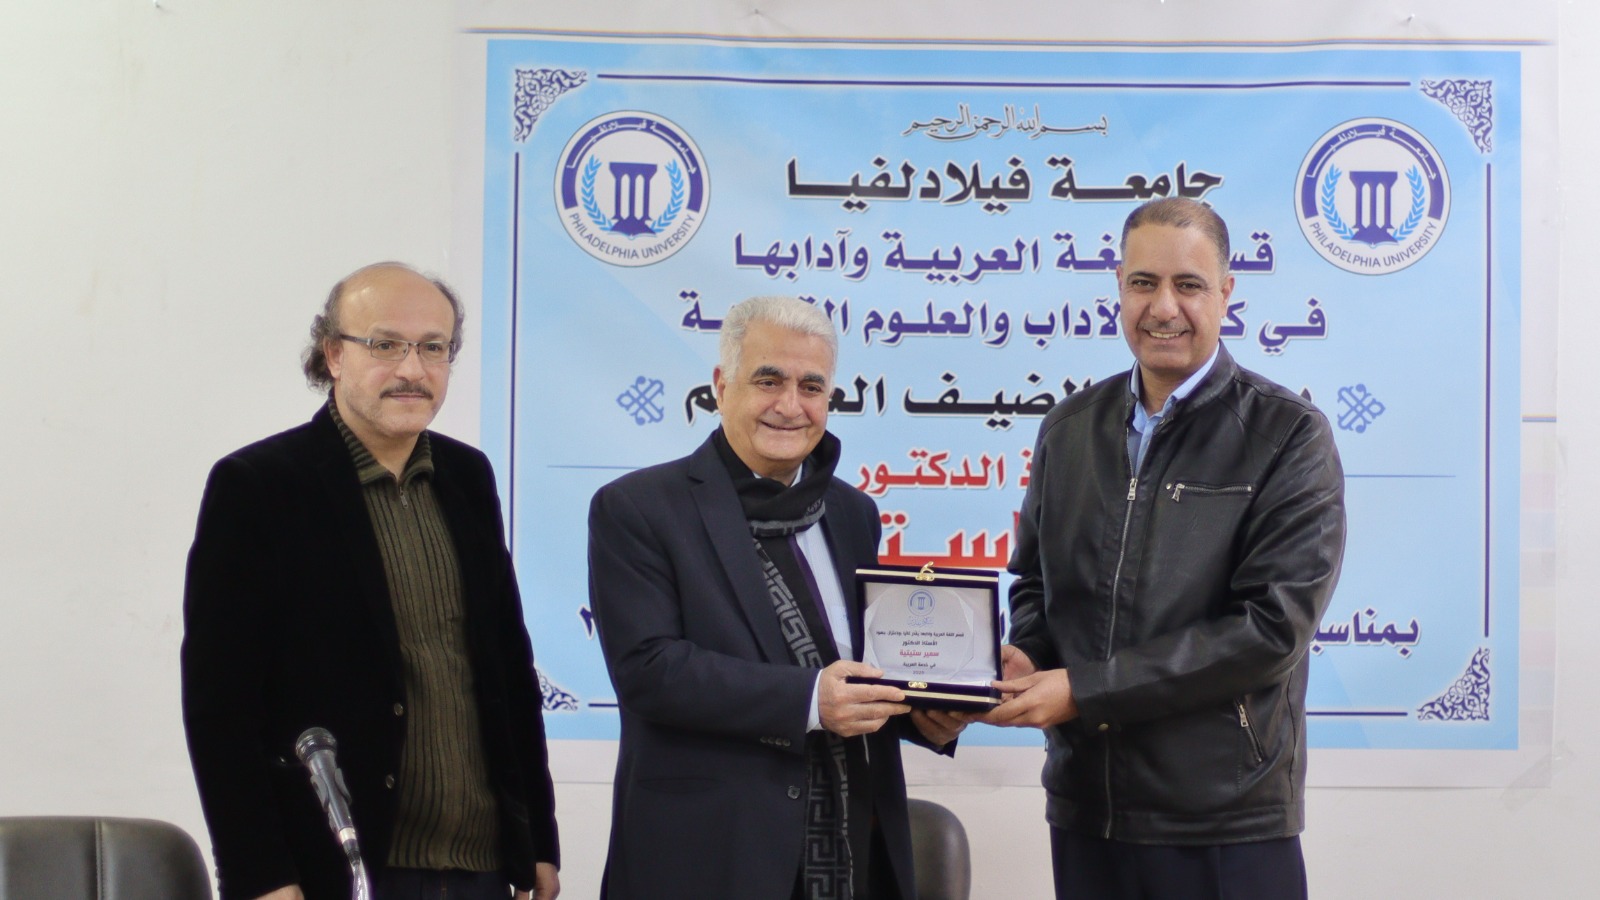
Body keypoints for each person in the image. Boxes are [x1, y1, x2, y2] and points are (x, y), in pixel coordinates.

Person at [980, 198, 1346, 899]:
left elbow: (1271, 630)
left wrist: (1083, 690)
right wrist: (1031, 654)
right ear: (1118, 287)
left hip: (1224, 819)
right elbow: (1034, 582)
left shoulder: (1288, 436)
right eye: (1144, 283)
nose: (1164, 307)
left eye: (1189, 285)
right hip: (1087, 810)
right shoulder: (1068, 428)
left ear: (1226, 293)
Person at [181, 263, 560, 900]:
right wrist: (260, 875)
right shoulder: (260, 487)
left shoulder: (468, 478)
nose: (413, 369)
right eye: (385, 345)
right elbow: (220, 705)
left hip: (482, 868)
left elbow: (508, 674)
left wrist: (537, 843)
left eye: (433, 348)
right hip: (339, 867)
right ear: (333, 354)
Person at [587, 296, 965, 899]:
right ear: (722, 386)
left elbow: (862, 663)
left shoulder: (852, 512)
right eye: (769, 381)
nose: (791, 406)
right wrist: (810, 699)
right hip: (710, 860)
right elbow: (650, 670)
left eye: (811, 386)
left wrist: (928, 712)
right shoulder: (640, 508)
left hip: (852, 849)